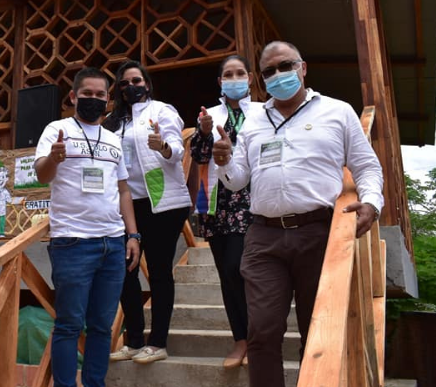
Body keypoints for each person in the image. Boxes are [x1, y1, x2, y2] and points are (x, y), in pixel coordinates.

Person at [212, 41, 384, 387]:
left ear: (303, 68)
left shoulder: (337, 111)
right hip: (263, 237)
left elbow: (366, 166)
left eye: (285, 66)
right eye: (269, 71)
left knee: (317, 330)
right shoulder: (254, 119)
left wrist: (371, 203)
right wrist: (224, 160)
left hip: (319, 234)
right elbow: (237, 181)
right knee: (261, 331)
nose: (278, 75)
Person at [35, 66, 141, 387]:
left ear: (108, 99)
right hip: (72, 241)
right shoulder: (57, 129)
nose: (94, 99)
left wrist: (132, 234)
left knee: (101, 325)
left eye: (100, 95)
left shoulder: (112, 139)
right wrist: (53, 158)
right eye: (87, 94)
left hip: (112, 243)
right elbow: (41, 175)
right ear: (73, 96)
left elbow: (123, 189)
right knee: (68, 324)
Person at [103, 60, 192, 364]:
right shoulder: (112, 122)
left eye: (136, 80)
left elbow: (177, 149)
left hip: (162, 202)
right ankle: (134, 340)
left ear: (147, 83)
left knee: (158, 269)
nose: (131, 87)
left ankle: (158, 342)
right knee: (124, 269)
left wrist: (164, 146)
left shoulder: (162, 111)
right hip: (126, 203)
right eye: (124, 83)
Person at [189, 54, 263, 368]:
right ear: (220, 81)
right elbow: (197, 155)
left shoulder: (264, 112)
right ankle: (241, 340)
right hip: (219, 202)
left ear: (250, 77)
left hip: (257, 199)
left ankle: (259, 339)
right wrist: (204, 133)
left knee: (246, 268)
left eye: (240, 73)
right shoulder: (210, 114)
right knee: (228, 273)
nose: (234, 79)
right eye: (228, 74)